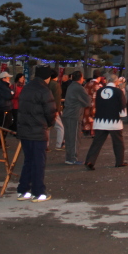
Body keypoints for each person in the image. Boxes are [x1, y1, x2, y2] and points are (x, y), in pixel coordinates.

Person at [16, 66, 56, 202]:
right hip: (38, 129)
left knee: (28, 160)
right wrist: (49, 123)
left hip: (24, 129)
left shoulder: (27, 88)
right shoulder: (44, 90)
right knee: (39, 162)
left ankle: (23, 190)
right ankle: (38, 192)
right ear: (48, 77)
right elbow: (50, 111)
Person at [84, 74, 128, 170]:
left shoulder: (99, 91)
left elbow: (94, 103)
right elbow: (122, 105)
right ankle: (119, 161)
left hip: (100, 120)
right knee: (118, 142)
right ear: (116, 82)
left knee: (97, 142)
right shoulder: (118, 92)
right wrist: (123, 115)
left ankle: (90, 161)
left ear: (107, 81)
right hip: (114, 121)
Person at [62, 71, 90, 165]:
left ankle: (69, 157)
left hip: (68, 114)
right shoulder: (79, 88)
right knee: (74, 137)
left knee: (69, 137)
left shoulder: (71, 86)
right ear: (80, 78)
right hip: (74, 115)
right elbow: (87, 101)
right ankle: (73, 158)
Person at [82, 71, 105, 137]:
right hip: (95, 103)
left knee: (87, 117)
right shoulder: (98, 85)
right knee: (94, 117)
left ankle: (87, 130)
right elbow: (101, 96)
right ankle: (93, 132)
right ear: (99, 77)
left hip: (86, 103)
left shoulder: (86, 84)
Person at [48, 69, 65, 151]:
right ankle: (59, 144)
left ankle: (45, 145)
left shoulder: (46, 84)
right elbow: (57, 98)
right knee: (60, 127)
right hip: (54, 108)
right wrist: (57, 110)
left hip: (47, 107)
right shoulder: (56, 85)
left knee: (47, 127)